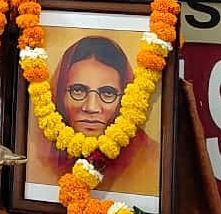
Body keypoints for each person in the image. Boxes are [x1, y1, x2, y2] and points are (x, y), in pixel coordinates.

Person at [26, 35, 160, 195]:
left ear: (126, 98)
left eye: (108, 93)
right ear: (60, 93)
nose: (91, 107)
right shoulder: (34, 155)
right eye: (78, 90)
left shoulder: (150, 158)